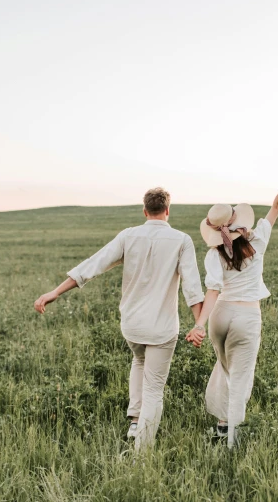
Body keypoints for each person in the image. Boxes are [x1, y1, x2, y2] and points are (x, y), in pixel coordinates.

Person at [34, 188, 204, 451]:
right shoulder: (181, 240)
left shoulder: (129, 235)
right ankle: (142, 453)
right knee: (154, 388)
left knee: (139, 360)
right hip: (161, 327)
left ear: (145, 211)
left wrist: (55, 291)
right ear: (168, 210)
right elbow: (192, 287)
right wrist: (198, 324)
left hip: (132, 325)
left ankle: (135, 422)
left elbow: (94, 264)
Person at [186, 153, 278, 448]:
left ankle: (223, 426)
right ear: (238, 221)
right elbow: (277, 205)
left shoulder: (213, 254)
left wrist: (200, 323)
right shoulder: (257, 241)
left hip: (220, 316)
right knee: (240, 377)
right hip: (247, 316)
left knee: (225, 369)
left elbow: (212, 289)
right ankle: (232, 441)